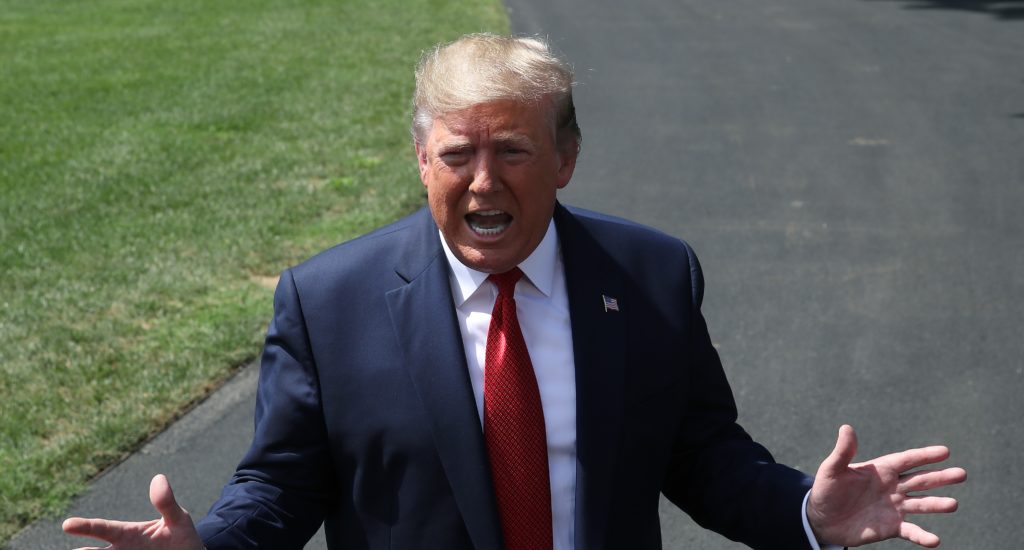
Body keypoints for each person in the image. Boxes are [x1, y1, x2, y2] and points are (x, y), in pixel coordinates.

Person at [63, 33, 965, 550]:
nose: (484, 183)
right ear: (423, 162)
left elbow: (699, 454)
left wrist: (803, 510)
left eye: (515, 152)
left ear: (566, 158)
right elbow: (281, 483)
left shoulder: (650, 278)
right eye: (458, 155)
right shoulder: (327, 302)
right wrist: (209, 548)